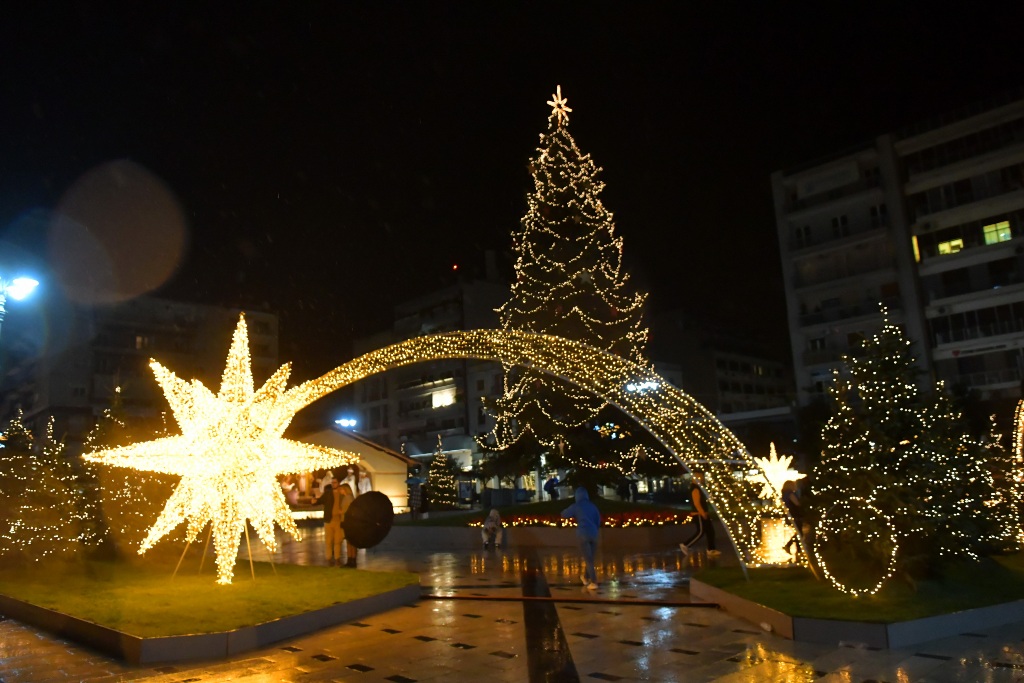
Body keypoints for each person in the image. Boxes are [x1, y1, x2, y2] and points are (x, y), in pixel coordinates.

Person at [562, 486, 601, 590]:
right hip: (594, 534)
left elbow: (564, 514)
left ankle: (594, 582)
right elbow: (598, 520)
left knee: (588, 559)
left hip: (583, 534)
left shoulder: (576, 506)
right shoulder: (593, 506)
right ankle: (585, 577)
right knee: (590, 558)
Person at [680, 472, 719, 557]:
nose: (702, 479)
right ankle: (686, 545)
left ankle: (711, 549)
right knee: (701, 532)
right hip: (699, 514)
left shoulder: (698, 488)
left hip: (702, 513)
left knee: (710, 531)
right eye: (700, 478)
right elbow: (697, 503)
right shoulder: (695, 489)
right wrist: (702, 513)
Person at [781, 480, 806, 556]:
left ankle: (798, 550)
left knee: (798, 532)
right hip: (795, 515)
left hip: (790, 515)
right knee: (799, 533)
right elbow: (797, 504)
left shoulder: (784, 494)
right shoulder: (790, 494)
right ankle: (790, 546)